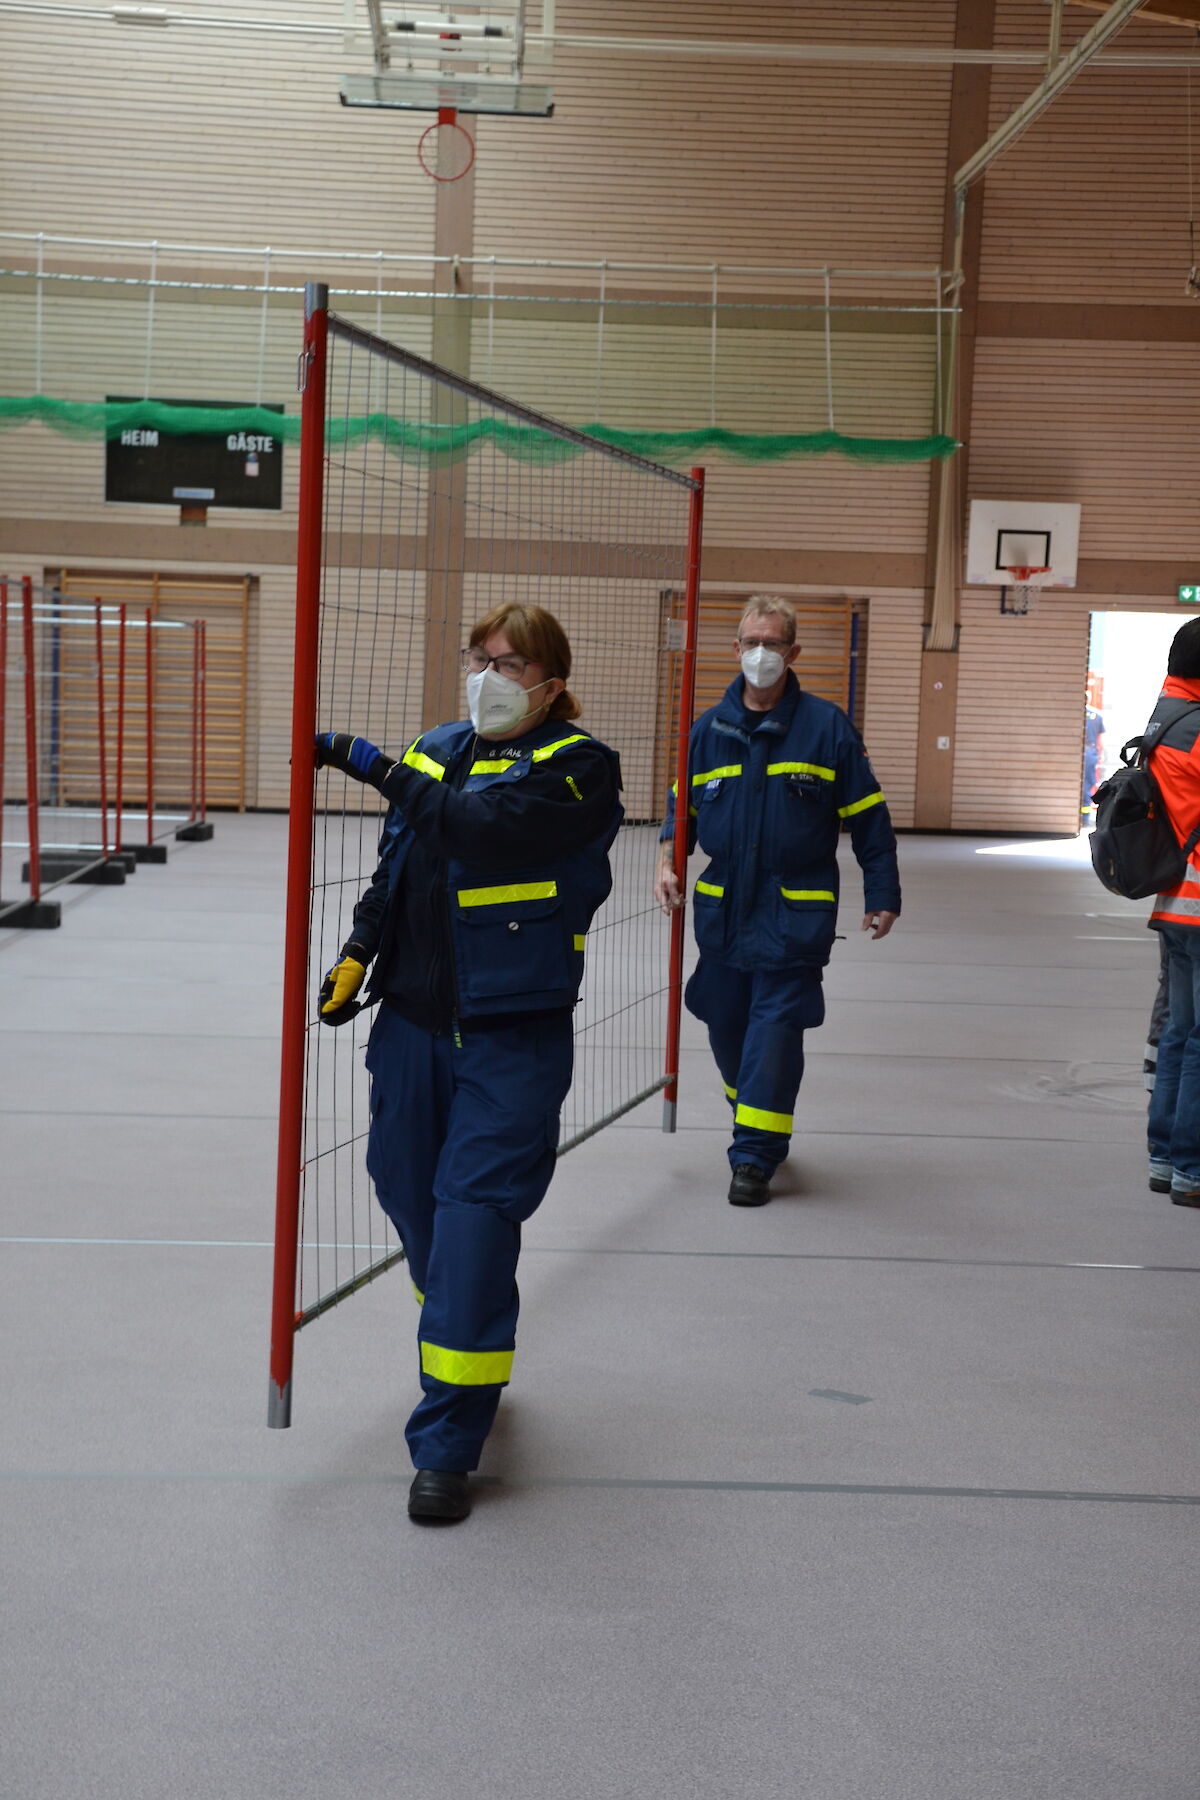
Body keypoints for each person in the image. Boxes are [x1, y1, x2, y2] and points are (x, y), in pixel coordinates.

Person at [314, 603, 622, 1521]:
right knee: (407, 1192)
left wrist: (373, 765)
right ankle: (458, 1313)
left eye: (513, 664)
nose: (491, 676)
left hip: (510, 1036)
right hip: (410, 1024)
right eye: (481, 658)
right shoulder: (439, 745)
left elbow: (476, 832)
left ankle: (449, 1439)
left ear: (552, 682)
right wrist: (360, 951)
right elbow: (400, 866)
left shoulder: (581, 769)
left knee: (476, 1219)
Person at [654, 596, 900, 1206]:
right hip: (723, 910)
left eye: (771, 643)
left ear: (792, 652)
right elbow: (679, 811)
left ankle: (753, 1158)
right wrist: (666, 859)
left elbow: (869, 816)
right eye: (748, 642)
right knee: (723, 1020)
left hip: (795, 912)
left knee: (775, 1029)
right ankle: (756, 1108)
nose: (758, 653)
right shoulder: (707, 731)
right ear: (734, 649)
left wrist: (883, 890)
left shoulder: (826, 727)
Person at [1144, 617, 1200, 1208]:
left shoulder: (1165, 719)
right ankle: (1191, 1167)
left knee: (1181, 1034)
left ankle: (1164, 1157)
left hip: (1175, 902)